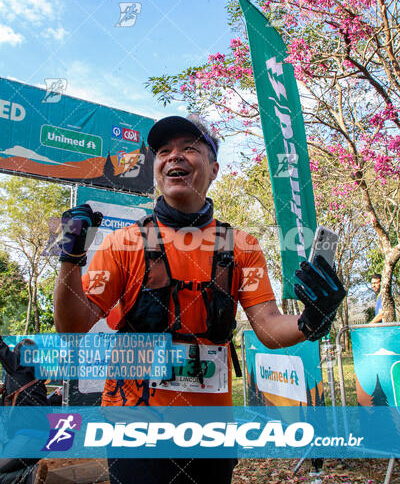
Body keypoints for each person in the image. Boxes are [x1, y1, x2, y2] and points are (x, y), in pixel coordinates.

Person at [54, 115, 346, 484]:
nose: (174, 156)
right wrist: (70, 258)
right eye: (163, 151)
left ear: (214, 168)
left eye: (189, 148)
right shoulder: (123, 242)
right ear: (156, 168)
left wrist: (311, 320)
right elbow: (72, 326)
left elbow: (270, 327)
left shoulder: (242, 246)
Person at [0, 337, 48, 484]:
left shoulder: (17, 367)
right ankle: (27, 471)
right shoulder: (37, 373)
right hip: (42, 439)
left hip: (28, 437)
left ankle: (29, 476)